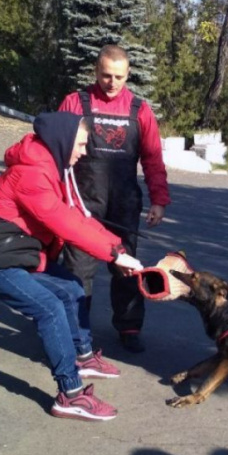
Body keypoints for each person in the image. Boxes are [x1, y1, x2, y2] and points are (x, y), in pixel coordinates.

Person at [0, 112, 144, 421]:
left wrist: (117, 247)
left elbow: (77, 217)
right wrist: (113, 256)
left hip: (13, 253)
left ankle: (82, 357)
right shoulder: (32, 173)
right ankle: (70, 395)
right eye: (81, 144)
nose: (84, 151)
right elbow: (64, 223)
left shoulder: (49, 166)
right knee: (49, 308)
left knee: (70, 287)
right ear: (63, 141)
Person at [58, 44, 170, 354]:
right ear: (96, 71)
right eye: (106, 75)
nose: (112, 83)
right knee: (78, 270)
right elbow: (56, 151)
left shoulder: (140, 110)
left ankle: (129, 327)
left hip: (123, 204)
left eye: (119, 77)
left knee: (127, 267)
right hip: (82, 203)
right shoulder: (75, 103)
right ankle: (75, 332)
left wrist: (158, 200)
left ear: (128, 74)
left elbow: (153, 159)